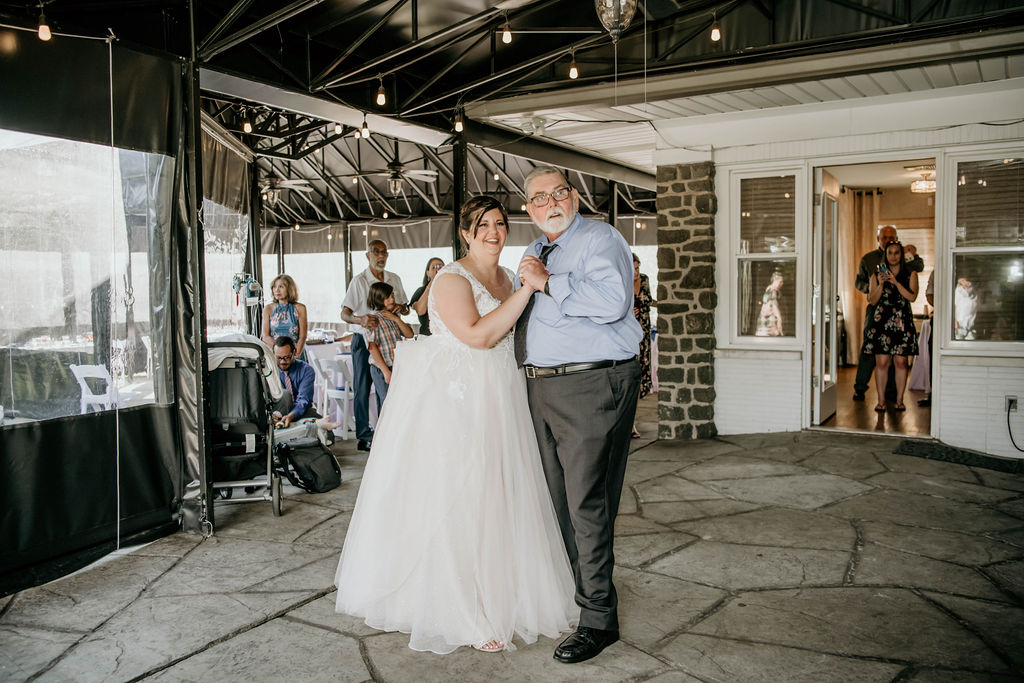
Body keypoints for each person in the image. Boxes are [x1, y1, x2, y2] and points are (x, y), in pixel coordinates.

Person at [335, 195, 577, 654]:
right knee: (465, 497)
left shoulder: (507, 276)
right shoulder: (451, 278)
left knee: (502, 495)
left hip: (502, 394)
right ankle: (468, 610)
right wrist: (530, 289)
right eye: (482, 225)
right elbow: (478, 336)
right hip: (459, 402)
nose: (493, 232)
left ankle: (506, 595)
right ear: (465, 233)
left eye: (500, 223)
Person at [516, 166, 642, 664]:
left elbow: (614, 303)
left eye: (559, 193)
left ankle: (598, 620)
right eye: (539, 198)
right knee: (560, 503)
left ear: (574, 196)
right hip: (543, 387)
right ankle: (587, 593)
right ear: (528, 208)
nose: (551, 203)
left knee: (588, 504)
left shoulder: (599, 239)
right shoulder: (536, 249)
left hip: (591, 384)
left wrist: (548, 281)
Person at [340, 240, 409, 451]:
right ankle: (364, 436)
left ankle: (385, 432)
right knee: (362, 387)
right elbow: (344, 314)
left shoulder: (394, 279)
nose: (380, 256)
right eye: (376, 252)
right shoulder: (359, 281)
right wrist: (360, 319)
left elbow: (406, 308)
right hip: (365, 339)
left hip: (391, 338)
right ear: (368, 255)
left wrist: (400, 309)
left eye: (384, 252)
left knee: (387, 392)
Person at [853, 225, 923, 401]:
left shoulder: (903, 256)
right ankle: (860, 387)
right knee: (870, 348)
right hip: (877, 308)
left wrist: (910, 254)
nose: (887, 240)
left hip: (900, 310)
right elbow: (858, 282)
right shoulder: (869, 259)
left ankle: (892, 391)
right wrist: (873, 287)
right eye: (884, 237)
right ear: (878, 239)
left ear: (897, 239)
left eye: (891, 237)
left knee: (897, 354)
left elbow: (919, 266)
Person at [863, 241, 919, 411]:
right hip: (882, 322)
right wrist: (881, 284)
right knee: (881, 363)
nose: (893, 256)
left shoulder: (910, 274)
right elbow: (873, 301)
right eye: (890, 253)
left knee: (901, 362)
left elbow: (912, 297)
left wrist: (895, 282)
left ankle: (899, 401)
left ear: (901, 255)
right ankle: (881, 402)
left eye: (896, 252)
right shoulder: (876, 275)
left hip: (902, 321)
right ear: (885, 255)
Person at [364, 281, 414, 403]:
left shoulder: (393, 317)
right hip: (382, 368)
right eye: (387, 297)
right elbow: (372, 348)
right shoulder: (373, 320)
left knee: (398, 401)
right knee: (386, 402)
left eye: (392, 296)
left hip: (397, 365)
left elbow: (409, 334)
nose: (392, 299)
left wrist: (396, 319)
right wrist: (386, 371)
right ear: (378, 299)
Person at [631, 253, 655, 438]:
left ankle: (632, 422)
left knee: (640, 379)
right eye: (633, 269)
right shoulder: (622, 283)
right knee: (631, 380)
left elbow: (648, 300)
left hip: (645, 334)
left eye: (638, 268)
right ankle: (630, 424)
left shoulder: (645, 280)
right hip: (631, 335)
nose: (637, 272)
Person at [271, 336, 318, 427]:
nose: (282, 362)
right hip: (277, 412)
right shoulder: (269, 370)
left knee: (325, 431)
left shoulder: (306, 370)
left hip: (300, 411)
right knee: (285, 394)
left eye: (287, 357)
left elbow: (304, 400)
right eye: (278, 358)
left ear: (294, 352)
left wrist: (291, 415)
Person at [262, 274, 308, 359]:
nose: (277, 290)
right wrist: (280, 352)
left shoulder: (300, 308)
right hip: (276, 355)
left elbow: (303, 336)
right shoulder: (268, 309)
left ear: (289, 289)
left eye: (281, 287)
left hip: (295, 354)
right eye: (274, 287)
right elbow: (265, 336)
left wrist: (296, 355)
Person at [410, 257, 444, 335]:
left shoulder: (449, 289)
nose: (437, 270)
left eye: (441, 267)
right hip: (427, 334)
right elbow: (420, 311)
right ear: (428, 273)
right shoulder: (420, 291)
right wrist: (433, 281)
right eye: (433, 268)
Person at [755, 270, 784, 337]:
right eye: (780, 282)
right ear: (775, 280)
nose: (781, 284)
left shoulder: (769, 289)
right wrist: (779, 319)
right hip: (768, 322)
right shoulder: (772, 291)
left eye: (782, 282)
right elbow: (774, 306)